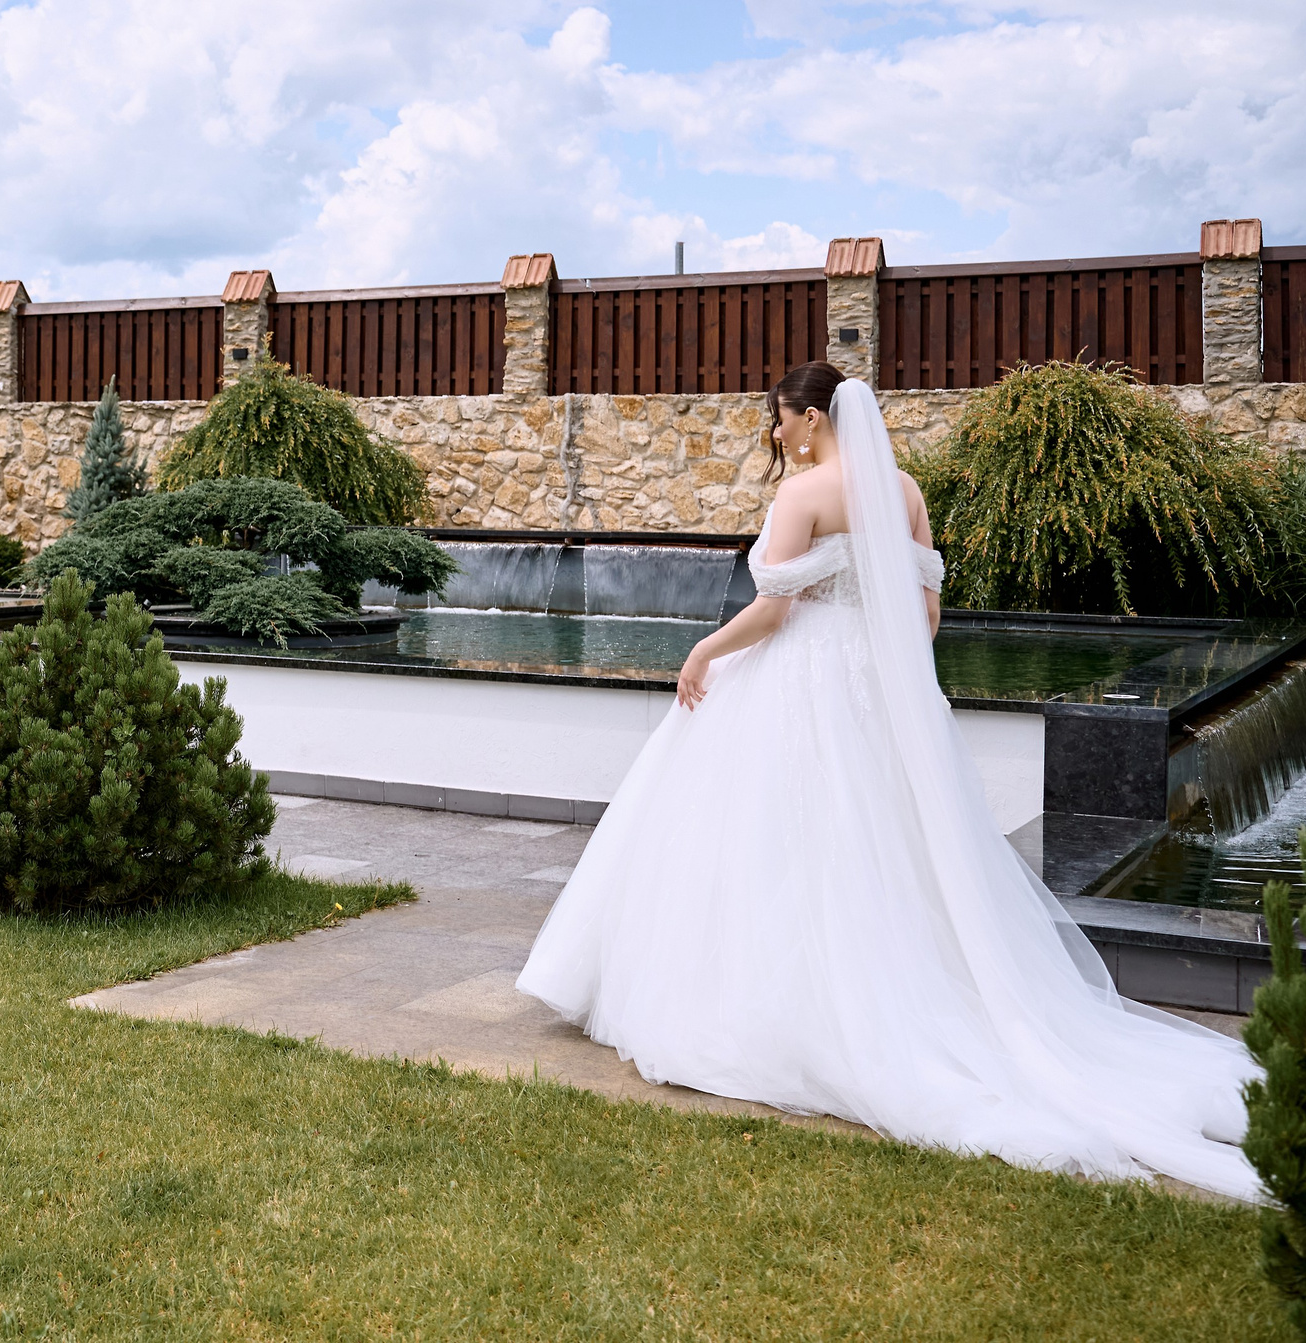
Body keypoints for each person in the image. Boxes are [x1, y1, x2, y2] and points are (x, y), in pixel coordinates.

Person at [515, 362, 1262, 1200]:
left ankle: (787, 1007)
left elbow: (775, 611)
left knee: (777, 835)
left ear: (809, 419)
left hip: (799, 680)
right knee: (890, 840)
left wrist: (702, 650)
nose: (775, 433)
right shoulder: (904, 491)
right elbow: (927, 616)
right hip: (876, 686)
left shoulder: (802, 495)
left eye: (780, 419)